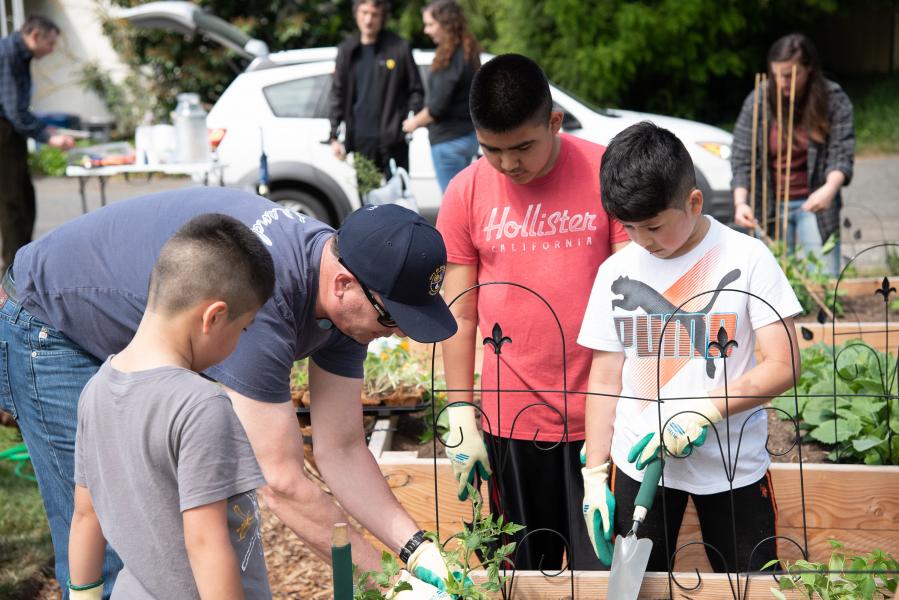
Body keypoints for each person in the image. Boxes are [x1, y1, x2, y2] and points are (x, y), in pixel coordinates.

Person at [0, 189, 457, 598]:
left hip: (133, 327)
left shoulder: (347, 285)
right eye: (392, 319)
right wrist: (390, 588)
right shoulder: (262, 303)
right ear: (343, 286)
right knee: (114, 546)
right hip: (52, 320)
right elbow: (281, 483)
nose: (394, 334)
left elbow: (340, 447)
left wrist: (415, 550)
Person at [578, 121, 802, 572]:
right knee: (634, 583)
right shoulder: (614, 271)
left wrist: (705, 410)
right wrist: (594, 472)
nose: (642, 241)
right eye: (629, 227)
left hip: (732, 465)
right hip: (638, 465)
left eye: (654, 227)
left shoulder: (747, 258)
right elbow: (604, 377)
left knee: (751, 581)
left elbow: (785, 364)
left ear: (693, 202)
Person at [436, 53, 629, 571]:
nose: (507, 164)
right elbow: (461, 310)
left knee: (603, 574)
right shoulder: (465, 191)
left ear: (554, 122)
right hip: (509, 424)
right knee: (521, 576)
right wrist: (460, 411)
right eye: (491, 150)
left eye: (522, 146)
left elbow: (635, 292)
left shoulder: (605, 171)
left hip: (601, 421)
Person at [67, 214, 275, 599]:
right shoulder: (199, 404)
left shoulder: (95, 390)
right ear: (214, 316)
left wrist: (83, 595)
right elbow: (205, 544)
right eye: (243, 329)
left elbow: (85, 514)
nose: (239, 344)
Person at [731, 32, 854, 277]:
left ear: (808, 69)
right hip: (769, 205)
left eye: (788, 75)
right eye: (776, 75)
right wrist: (740, 202)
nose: (781, 82)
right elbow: (742, 156)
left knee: (824, 280)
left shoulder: (832, 98)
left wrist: (829, 189)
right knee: (772, 280)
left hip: (815, 202)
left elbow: (842, 151)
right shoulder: (759, 100)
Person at [0, 15, 74, 271]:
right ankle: (11, 276)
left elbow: (20, 108)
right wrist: (49, 137)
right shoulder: (7, 55)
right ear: (34, 36)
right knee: (13, 205)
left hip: (11, 134)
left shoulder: (21, 55)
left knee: (24, 200)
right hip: (4, 134)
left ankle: (19, 266)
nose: (52, 50)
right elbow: (14, 111)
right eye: (50, 44)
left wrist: (44, 128)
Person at [329, 0, 424, 175]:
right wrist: (334, 135)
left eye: (374, 14)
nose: (368, 20)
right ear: (356, 12)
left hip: (394, 141)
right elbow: (337, 94)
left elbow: (416, 90)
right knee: (367, 197)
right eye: (364, 12)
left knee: (397, 198)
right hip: (360, 141)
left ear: (382, 17)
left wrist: (409, 120)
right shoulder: (347, 50)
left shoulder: (399, 48)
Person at [402, 0, 480, 193]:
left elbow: (437, 106)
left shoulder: (450, 57)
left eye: (430, 24)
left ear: (446, 23)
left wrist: (412, 123)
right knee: (465, 201)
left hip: (449, 141)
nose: (426, 30)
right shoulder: (467, 52)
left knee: (453, 204)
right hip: (468, 137)